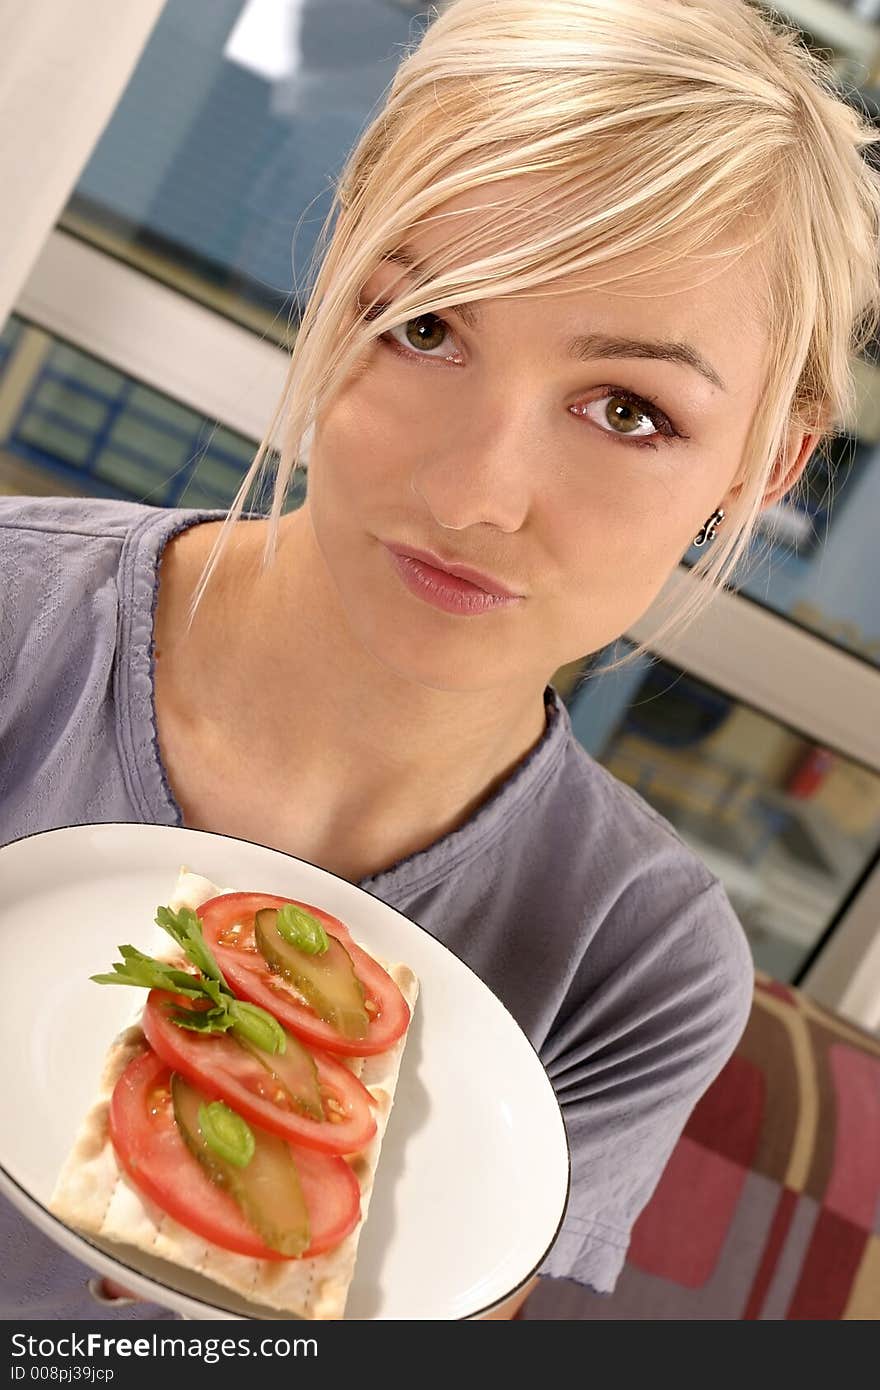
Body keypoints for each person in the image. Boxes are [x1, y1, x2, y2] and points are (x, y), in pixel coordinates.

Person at [1, 0, 879, 1322]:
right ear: (337, 269)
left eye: (628, 409)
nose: (476, 490)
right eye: (426, 326)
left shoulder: (633, 955)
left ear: (764, 467)